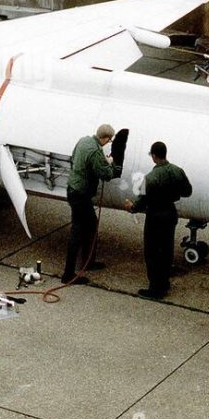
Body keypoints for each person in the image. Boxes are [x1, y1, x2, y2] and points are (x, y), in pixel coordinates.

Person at [125, 141, 192, 299]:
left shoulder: (150, 178)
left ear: (154, 156)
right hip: (170, 214)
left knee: (153, 253)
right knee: (167, 250)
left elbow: (141, 202)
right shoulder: (178, 171)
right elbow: (187, 192)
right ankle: (165, 282)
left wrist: (131, 206)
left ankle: (155, 289)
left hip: (155, 217)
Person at [62, 123, 122, 284]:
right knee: (78, 232)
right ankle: (68, 274)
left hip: (73, 189)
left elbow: (74, 158)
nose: (108, 143)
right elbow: (106, 175)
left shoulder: (84, 140)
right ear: (105, 138)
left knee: (90, 225)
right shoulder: (96, 152)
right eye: (109, 141)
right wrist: (109, 163)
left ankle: (88, 262)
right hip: (80, 196)